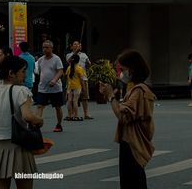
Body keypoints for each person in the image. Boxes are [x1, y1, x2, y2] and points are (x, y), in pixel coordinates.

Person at [0, 54, 44, 189]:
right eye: (23, 71)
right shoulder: (21, 91)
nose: (25, 75)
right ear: (11, 73)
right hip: (19, 147)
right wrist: (39, 120)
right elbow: (27, 116)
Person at [98, 49, 155, 189]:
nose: (121, 74)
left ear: (132, 70)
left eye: (123, 69)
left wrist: (111, 96)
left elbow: (123, 116)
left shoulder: (138, 91)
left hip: (132, 143)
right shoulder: (137, 89)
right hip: (130, 141)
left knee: (131, 181)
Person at [34, 40, 65, 133]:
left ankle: (59, 124)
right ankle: (37, 125)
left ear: (51, 48)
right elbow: (39, 72)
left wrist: (54, 80)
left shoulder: (56, 59)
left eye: (47, 47)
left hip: (55, 88)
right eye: (43, 47)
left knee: (57, 107)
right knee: (40, 106)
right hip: (43, 88)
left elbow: (60, 71)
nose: (44, 49)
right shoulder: (40, 60)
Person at [65, 40, 93, 120]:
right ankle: (72, 114)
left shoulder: (84, 54)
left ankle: (86, 113)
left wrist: (88, 63)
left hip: (83, 78)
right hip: (73, 80)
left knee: (85, 97)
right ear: (71, 46)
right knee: (72, 99)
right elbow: (68, 61)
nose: (77, 45)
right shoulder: (69, 55)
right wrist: (76, 52)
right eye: (75, 44)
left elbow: (89, 64)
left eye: (78, 44)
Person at [65, 53, 85, 121]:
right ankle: (76, 116)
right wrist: (83, 88)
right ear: (78, 60)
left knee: (69, 101)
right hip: (77, 86)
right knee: (75, 101)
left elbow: (67, 78)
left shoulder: (69, 68)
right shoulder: (79, 68)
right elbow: (81, 80)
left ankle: (69, 115)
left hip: (70, 87)